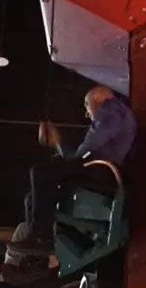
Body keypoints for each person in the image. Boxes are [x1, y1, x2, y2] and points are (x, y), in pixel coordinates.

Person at [7, 85, 137, 264]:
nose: (87, 113)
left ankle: (41, 239)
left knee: (41, 172)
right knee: (32, 197)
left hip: (102, 172)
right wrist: (58, 144)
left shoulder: (111, 108)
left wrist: (61, 147)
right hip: (97, 170)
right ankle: (35, 255)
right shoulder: (116, 113)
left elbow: (87, 149)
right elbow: (79, 156)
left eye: (86, 105)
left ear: (97, 97)